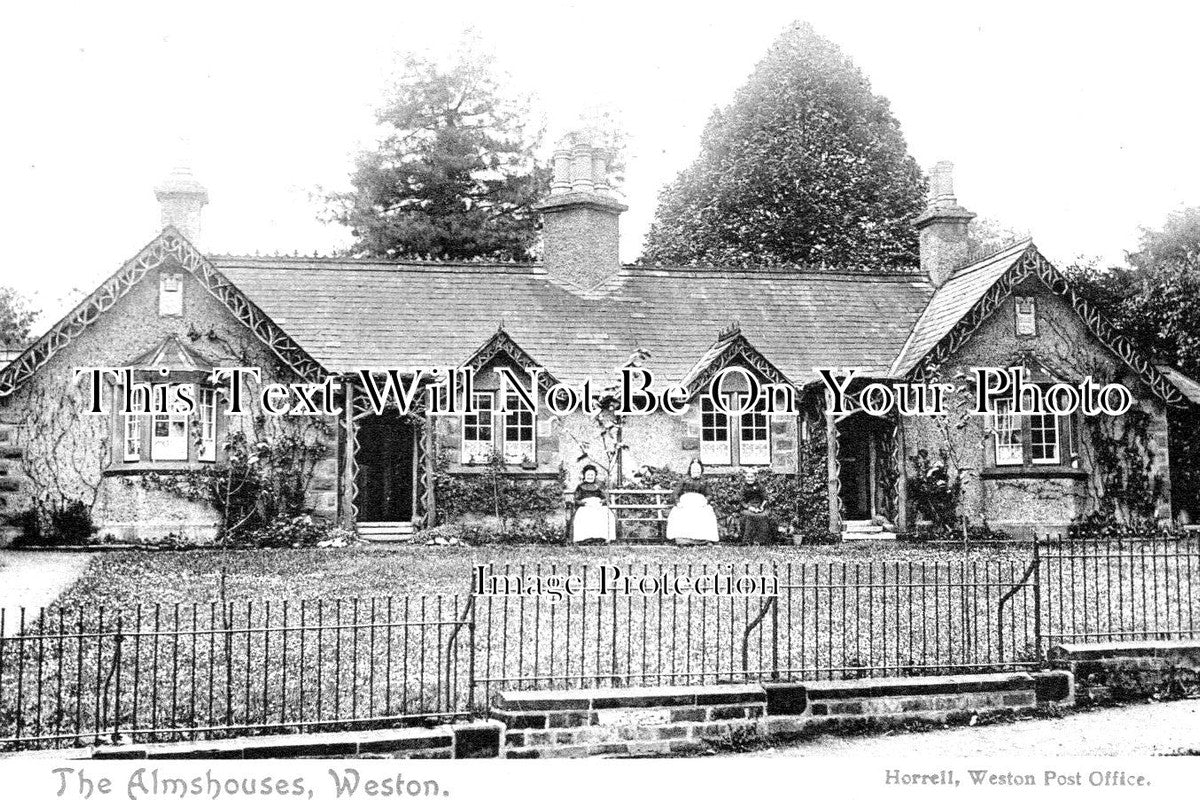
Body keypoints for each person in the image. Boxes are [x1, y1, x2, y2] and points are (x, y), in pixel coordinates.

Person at [665, 459, 720, 544]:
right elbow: (675, 493)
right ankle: (683, 539)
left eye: (698, 469)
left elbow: (709, 494)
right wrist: (678, 503)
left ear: (701, 470)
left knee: (707, 514)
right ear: (690, 470)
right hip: (685, 503)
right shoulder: (684, 480)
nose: (696, 471)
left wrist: (706, 501)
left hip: (700, 504)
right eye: (694, 469)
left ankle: (703, 539)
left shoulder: (704, 481)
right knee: (681, 514)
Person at [571, 464, 616, 543]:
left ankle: (602, 537)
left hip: (598, 505)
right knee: (583, 516)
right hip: (585, 506)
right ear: (584, 475)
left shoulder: (599, 485)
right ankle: (585, 538)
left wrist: (601, 502)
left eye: (592, 475)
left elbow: (605, 497)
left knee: (607, 515)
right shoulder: (580, 486)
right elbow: (576, 499)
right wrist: (583, 503)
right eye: (588, 475)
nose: (590, 476)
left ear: (595, 475)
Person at [739, 470, 776, 545]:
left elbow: (765, 498)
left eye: (752, 477)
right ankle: (747, 541)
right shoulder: (743, 488)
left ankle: (761, 541)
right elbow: (741, 500)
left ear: (755, 477)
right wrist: (749, 507)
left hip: (759, 506)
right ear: (745, 478)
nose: (750, 479)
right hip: (747, 507)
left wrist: (761, 507)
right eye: (748, 477)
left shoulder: (760, 486)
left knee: (763, 516)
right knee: (750, 516)